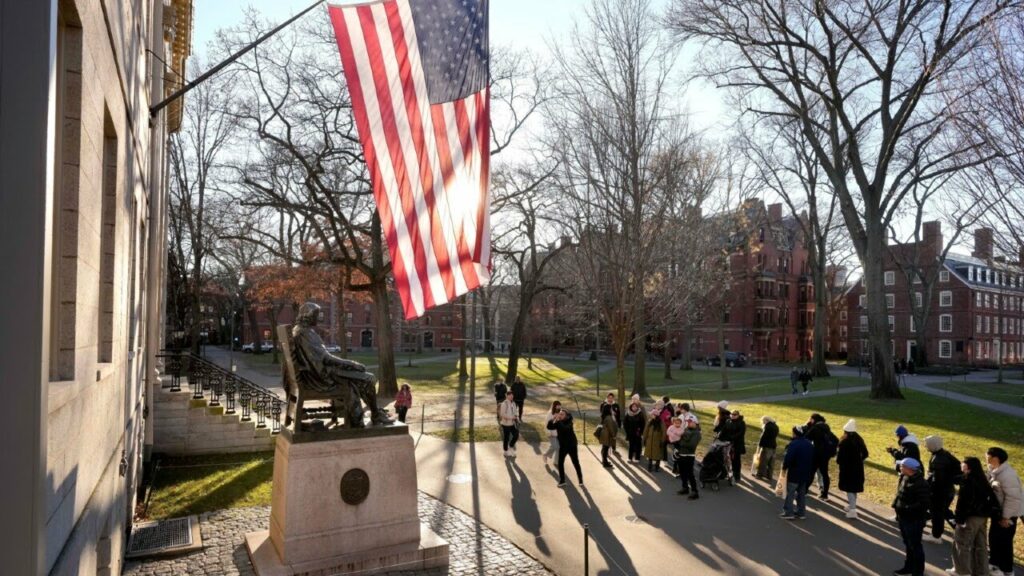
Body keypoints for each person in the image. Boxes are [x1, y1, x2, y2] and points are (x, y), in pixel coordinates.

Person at [947, 456, 995, 576]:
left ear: (968, 466)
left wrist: (960, 519)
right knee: (980, 545)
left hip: (969, 517)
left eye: (963, 463)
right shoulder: (982, 479)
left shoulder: (968, 481)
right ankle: (981, 572)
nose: (961, 465)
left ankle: (961, 571)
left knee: (961, 543)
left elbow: (964, 502)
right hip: (982, 517)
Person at [987, 446, 1023, 576]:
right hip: (999, 513)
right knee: (994, 538)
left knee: (1004, 542)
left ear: (995, 458)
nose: (986, 457)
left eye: (988, 455)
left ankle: (1007, 570)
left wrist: (1006, 517)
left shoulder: (1007, 475)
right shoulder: (995, 470)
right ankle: (995, 565)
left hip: (1008, 514)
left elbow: (1013, 498)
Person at [892, 457, 930, 576]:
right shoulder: (905, 477)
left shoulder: (921, 483)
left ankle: (918, 572)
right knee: (908, 544)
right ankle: (908, 568)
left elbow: (923, 503)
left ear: (909, 469)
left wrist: (907, 508)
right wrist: (896, 504)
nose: (900, 468)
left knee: (915, 545)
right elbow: (900, 494)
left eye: (902, 466)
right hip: (903, 517)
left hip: (914, 520)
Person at [923, 435, 961, 543]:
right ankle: (958, 529)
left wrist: (929, 489)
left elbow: (937, 480)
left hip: (940, 493)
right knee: (943, 511)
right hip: (948, 490)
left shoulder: (938, 460)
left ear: (932, 445)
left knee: (937, 514)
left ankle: (936, 536)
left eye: (927, 444)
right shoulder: (945, 454)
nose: (925, 446)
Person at [836, 419, 869, 519]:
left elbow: (840, 457)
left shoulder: (844, 442)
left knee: (849, 488)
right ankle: (852, 505)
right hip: (858, 468)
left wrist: (839, 461)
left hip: (847, 469)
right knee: (854, 488)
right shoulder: (859, 439)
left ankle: (853, 510)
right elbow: (866, 453)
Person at [780, 425, 815, 520]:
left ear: (795, 433)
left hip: (794, 472)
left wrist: (784, 467)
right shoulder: (809, 444)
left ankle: (788, 512)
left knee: (790, 492)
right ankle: (801, 512)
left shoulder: (794, 444)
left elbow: (789, 458)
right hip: (805, 473)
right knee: (801, 493)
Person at [805, 413, 838, 499]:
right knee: (824, 474)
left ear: (813, 419)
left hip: (816, 454)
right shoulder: (826, 428)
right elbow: (836, 439)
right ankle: (825, 494)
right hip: (825, 455)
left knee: (811, 472)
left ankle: (804, 490)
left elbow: (806, 437)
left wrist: (808, 426)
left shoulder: (815, 429)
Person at [547, 408, 583, 488]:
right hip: (563, 446)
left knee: (575, 462)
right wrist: (553, 418)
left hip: (572, 446)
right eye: (559, 414)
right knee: (560, 463)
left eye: (562, 414)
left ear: (566, 416)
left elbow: (565, 429)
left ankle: (580, 479)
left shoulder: (569, 422)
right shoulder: (558, 422)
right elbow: (549, 426)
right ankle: (562, 480)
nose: (560, 415)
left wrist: (558, 421)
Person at [676, 418, 701, 499]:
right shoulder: (686, 430)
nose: (688, 424)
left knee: (690, 474)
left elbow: (692, 445)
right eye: (688, 422)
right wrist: (680, 441)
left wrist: (682, 442)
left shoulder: (697, 433)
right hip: (681, 454)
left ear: (695, 423)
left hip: (689, 456)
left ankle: (695, 492)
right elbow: (679, 440)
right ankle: (685, 488)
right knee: (682, 472)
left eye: (690, 422)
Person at [725, 410, 747, 483]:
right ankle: (728, 473)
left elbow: (741, 433)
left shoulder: (741, 423)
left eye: (735, 414)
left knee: (736, 460)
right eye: (732, 414)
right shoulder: (728, 421)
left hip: (737, 444)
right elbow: (725, 430)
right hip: (728, 443)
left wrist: (732, 437)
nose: (733, 415)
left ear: (738, 415)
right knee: (728, 459)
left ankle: (737, 475)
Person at [755, 415, 779, 482]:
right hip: (773, 446)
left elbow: (763, 437)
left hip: (766, 446)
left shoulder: (767, 426)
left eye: (763, 421)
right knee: (771, 462)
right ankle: (769, 476)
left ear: (766, 420)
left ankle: (759, 475)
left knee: (763, 461)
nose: (763, 422)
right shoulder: (776, 426)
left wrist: (759, 445)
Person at [642, 407, 666, 473]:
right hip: (649, 441)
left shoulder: (661, 423)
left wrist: (662, 441)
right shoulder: (650, 422)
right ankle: (650, 465)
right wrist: (644, 439)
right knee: (650, 454)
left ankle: (657, 466)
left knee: (657, 454)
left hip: (658, 441)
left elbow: (664, 432)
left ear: (655, 415)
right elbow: (646, 431)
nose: (651, 416)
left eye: (652, 415)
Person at [623, 397, 645, 463]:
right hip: (630, 433)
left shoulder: (640, 414)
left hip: (637, 433)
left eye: (635, 407)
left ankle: (637, 458)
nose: (634, 408)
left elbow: (642, 424)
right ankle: (630, 458)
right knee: (631, 446)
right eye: (633, 406)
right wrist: (627, 431)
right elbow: (625, 423)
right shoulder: (628, 414)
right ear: (631, 407)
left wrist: (641, 431)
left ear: (637, 407)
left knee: (638, 445)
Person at [597, 403, 619, 469]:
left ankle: (605, 461)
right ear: (609, 410)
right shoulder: (609, 418)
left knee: (604, 448)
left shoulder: (605, 416)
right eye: (611, 408)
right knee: (605, 449)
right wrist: (614, 435)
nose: (612, 410)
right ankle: (605, 462)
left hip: (604, 434)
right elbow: (611, 428)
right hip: (607, 435)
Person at [498, 391, 520, 457]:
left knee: (516, 435)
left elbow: (515, 412)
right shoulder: (504, 404)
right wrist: (511, 418)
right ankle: (505, 451)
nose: (511, 396)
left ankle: (510, 446)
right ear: (507, 396)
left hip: (512, 423)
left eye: (512, 395)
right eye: (510, 395)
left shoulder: (513, 403)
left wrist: (516, 417)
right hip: (505, 424)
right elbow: (502, 414)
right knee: (506, 438)